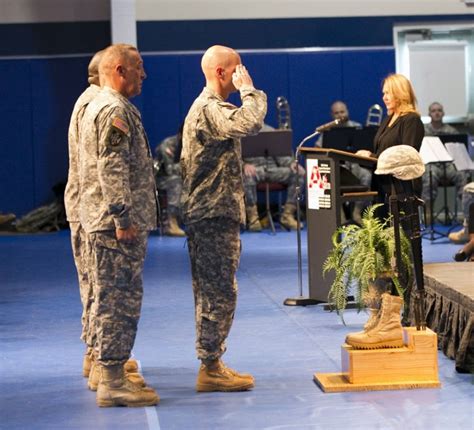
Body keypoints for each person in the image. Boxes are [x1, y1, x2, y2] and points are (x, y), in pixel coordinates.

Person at [181, 45, 267, 392]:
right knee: (219, 292)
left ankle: (211, 362)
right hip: (212, 213)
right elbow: (251, 121)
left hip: (215, 212)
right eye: (237, 69)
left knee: (214, 291)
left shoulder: (209, 108)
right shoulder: (209, 109)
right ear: (221, 73)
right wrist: (249, 90)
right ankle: (211, 366)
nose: (242, 72)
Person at [78, 43, 159, 407]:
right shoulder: (113, 109)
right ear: (119, 70)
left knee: (112, 296)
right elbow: (111, 168)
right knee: (119, 300)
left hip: (105, 221)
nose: (143, 75)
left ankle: (106, 371)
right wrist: (123, 218)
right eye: (138, 68)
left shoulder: (104, 105)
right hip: (114, 226)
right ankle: (112, 380)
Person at [242, 123, 304, 231]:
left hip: (273, 169)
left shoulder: (271, 131)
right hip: (254, 169)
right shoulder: (241, 131)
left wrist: (291, 163)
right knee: (247, 176)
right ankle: (253, 218)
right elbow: (233, 155)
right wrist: (243, 165)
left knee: (297, 174)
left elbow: (282, 156)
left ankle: (287, 215)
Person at [317, 101, 372, 223]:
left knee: (367, 176)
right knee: (329, 179)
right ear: (332, 115)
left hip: (355, 166)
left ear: (347, 111)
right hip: (337, 168)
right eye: (336, 113)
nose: (340, 115)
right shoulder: (328, 131)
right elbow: (318, 149)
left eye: (342, 112)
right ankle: (339, 214)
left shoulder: (357, 128)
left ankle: (357, 211)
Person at [421, 102, 469, 218]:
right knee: (429, 175)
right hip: (431, 163)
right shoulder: (423, 131)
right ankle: (427, 214)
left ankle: (467, 216)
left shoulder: (451, 131)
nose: (436, 113)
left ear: (443, 113)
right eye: (434, 111)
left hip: (448, 164)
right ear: (429, 114)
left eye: (439, 110)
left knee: (462, 174)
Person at [154, 125, 185, 236]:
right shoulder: (168, 145)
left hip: (181, 176)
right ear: (181, 134)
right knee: (176, 182)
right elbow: (170, 169)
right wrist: (187, 165)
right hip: (162, 178)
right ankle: (171, 222)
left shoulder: (191, 144)